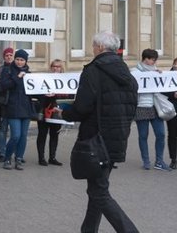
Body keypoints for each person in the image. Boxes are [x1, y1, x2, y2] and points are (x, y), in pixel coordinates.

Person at [55, 31, 138, 233]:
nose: (92, 49)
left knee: (99, 192)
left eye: (93, 46)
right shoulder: (126, 72)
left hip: (95, 138)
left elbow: (82, 107)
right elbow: (131, 107)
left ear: (100, 48)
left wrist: (64, 112)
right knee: (98, 187)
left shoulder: (93, 70)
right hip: (117, 136)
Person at [132, 49, 170, 171]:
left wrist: (161, 75)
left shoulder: (155, 71)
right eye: (152, 60)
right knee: (143, 135)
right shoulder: (134, 71)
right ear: (145, 59)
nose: (154, 62)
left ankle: (159, 161)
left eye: (155, 60)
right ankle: (146, 161)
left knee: (161, 134)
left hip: (155, 106)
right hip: (141, 106)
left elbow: (165, 84)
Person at [0, 49, 32, 170]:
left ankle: (18, 158)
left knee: (23, 136)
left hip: (26, 108)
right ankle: (7, 158)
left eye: (22, 60)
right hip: (12, 107)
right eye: (17, 59)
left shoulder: (29, 73)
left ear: (25, 61)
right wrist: (17, 77)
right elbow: (4, 85)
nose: (19, 62)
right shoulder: (8, 70)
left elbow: (34, 91)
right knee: (15, 135)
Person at [36, 59, 69, 166]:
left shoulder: (65, 80)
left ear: (61, 68)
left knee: (55, 134)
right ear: (51, 67)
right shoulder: (44, 79)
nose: (56, 68)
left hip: (57, 110)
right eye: (54, 66)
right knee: (42, 134)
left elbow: (68, 95)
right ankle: (41, 158)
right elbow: (36, 93)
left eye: (58, 66)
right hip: (44, 110)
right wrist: (44, 95)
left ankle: (52, 157)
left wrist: (56, 94)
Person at [0, 47, 14, 162]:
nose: (9, 57)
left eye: (11, 55)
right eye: (7, 55)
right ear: (4, 57)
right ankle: (2, 152)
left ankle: (14, 153)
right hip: (2, 103)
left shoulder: (19, 69)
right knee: (2, 129)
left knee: (15, 131)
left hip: (15, 103)